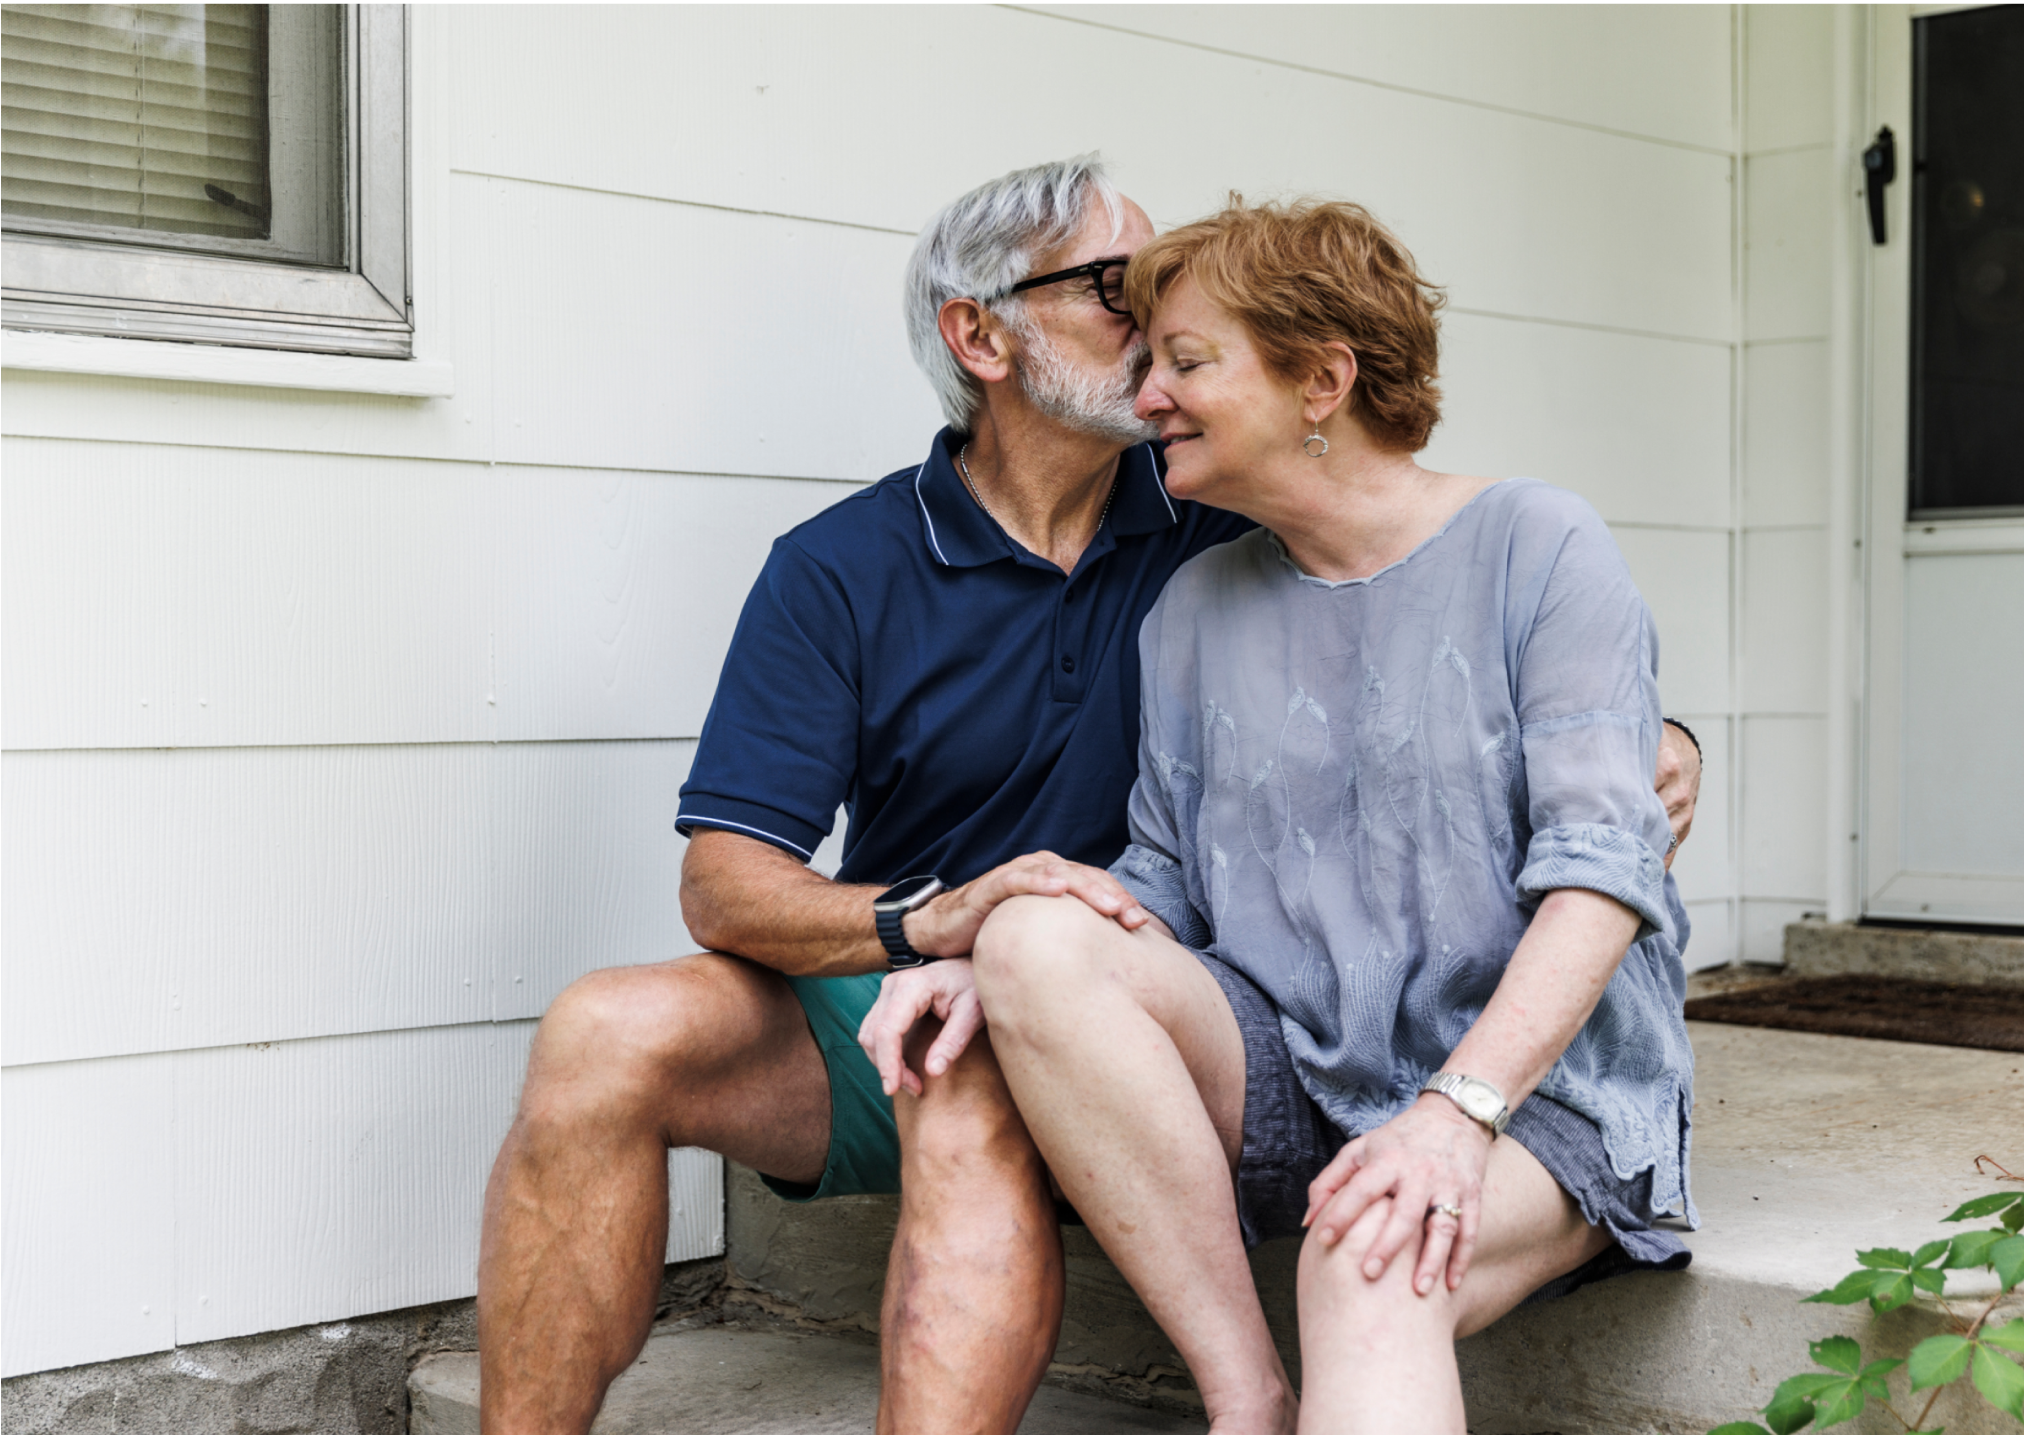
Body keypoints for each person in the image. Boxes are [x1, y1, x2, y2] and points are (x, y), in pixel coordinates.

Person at [477, 156, 1701, 1435]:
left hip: (1123, 1017)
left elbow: (1443, 606)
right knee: (602, 1031)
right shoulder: (855, 568)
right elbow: (723, 884)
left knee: (982, 1066)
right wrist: (937, 928)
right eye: (1119, 292)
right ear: (979, 336)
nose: (1154, 351)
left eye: (1179, 330)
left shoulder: (1214, 515)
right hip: (967, 978)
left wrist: (1657, 738)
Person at [958, 198, 1699, 1435]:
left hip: (1540, 1094)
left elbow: (1601, 874)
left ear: (1321, 378)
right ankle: (1247, 1399)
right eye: (1147, 367)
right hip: (1294, 1069)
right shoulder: (1191, 606)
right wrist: (993, 960)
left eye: (1185, 363)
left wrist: (1455, 1118)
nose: (1146, 400)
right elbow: (1163, 882)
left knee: (1366, 1256)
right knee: (1034, 935)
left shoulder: (1536, 543)